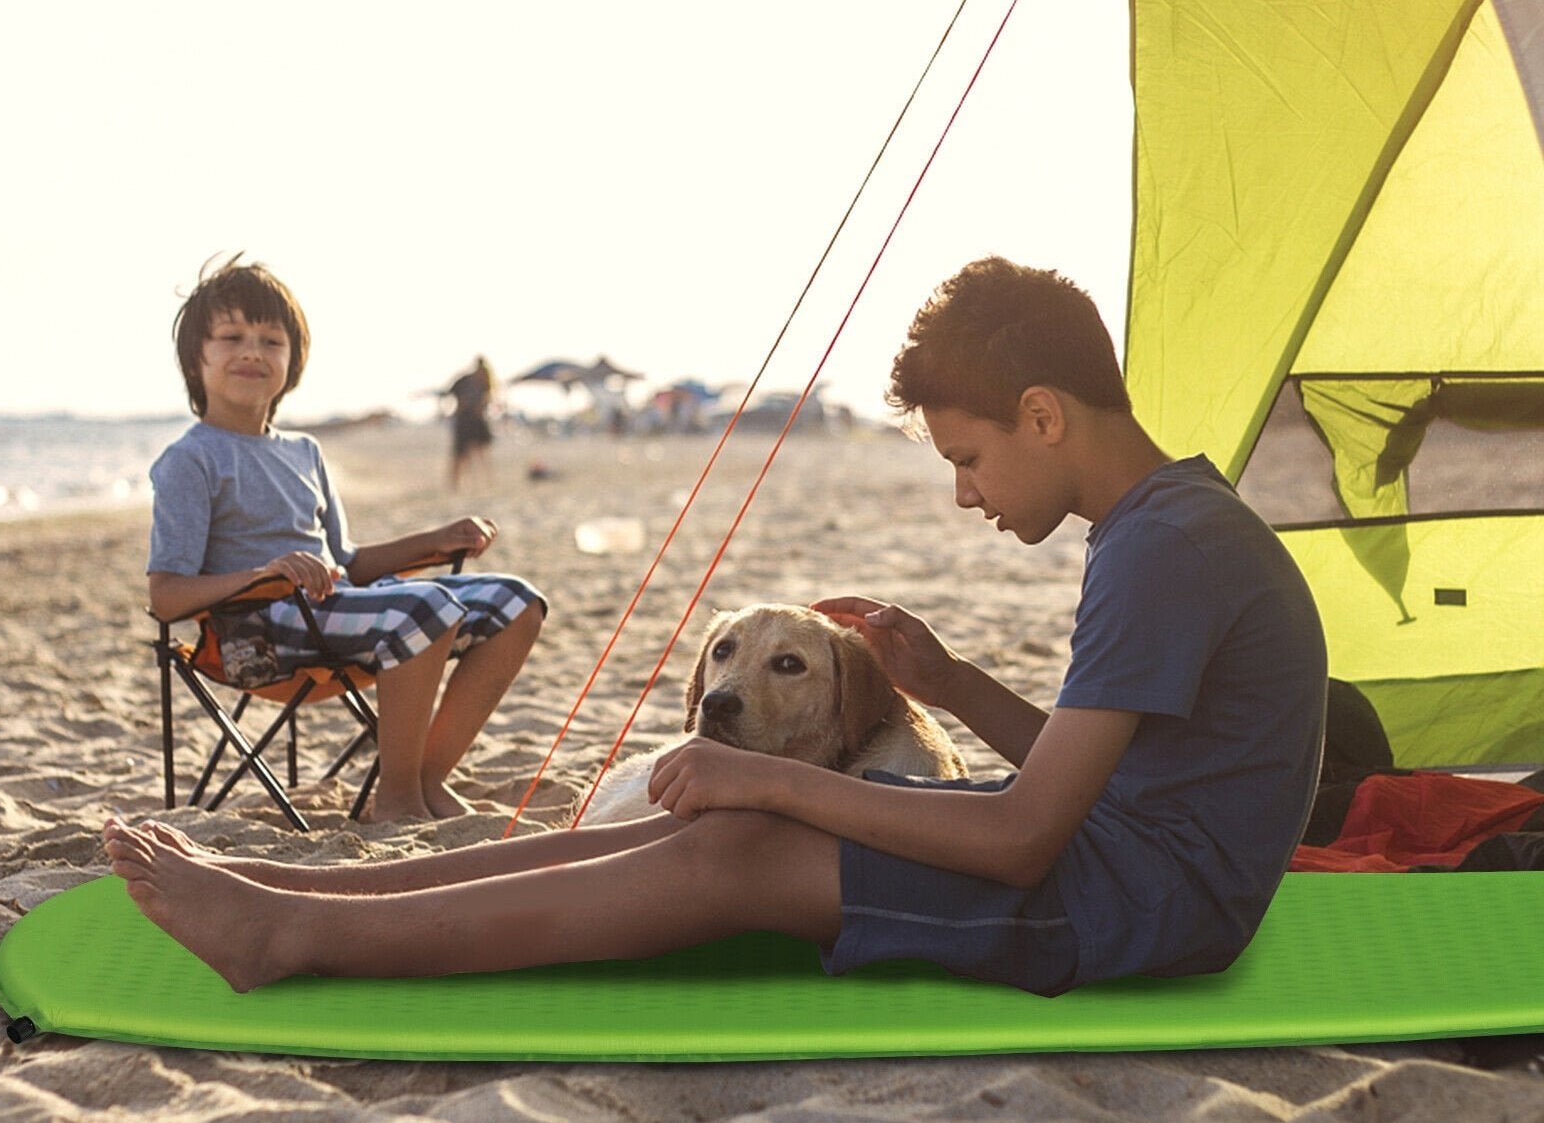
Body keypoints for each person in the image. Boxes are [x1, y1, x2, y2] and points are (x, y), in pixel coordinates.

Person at [107, 257, 1326, 997]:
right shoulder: (1166, 522)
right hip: (1118, 859)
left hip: (1134, 912)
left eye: (968, 457)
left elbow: (1017, 837)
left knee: (733, 847)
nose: (966, 492)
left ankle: (294, 932)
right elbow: (1086, 764)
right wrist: (946, 684)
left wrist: (771, 781)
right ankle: (283, 889)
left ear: (1042, 416)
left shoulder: (1163, 546)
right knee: (732, 815)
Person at [147, 255, 546, 825]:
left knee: (516, 602)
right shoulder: (190, 460)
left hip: (332, 614)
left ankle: (425, 777)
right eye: (232, 337)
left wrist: (434, 540)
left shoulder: (304, 452)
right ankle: (398, 799)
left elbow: (349, 564)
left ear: (293, 360)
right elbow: (166, 596)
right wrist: (266, 575)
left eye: (271, 340)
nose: (253, 352)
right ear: (196, 358)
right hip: (254, 636)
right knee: (426, 610)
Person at [445, 355, 496, 490]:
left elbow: (488, 398)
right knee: (461, 455)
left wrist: (480, 407)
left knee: (479, 453)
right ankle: (456, 484)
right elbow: (449, 393)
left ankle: (485, 482)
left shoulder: (485, 379)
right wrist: (460, 405)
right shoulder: (465, 380)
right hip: (464, 420)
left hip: (477, 421)